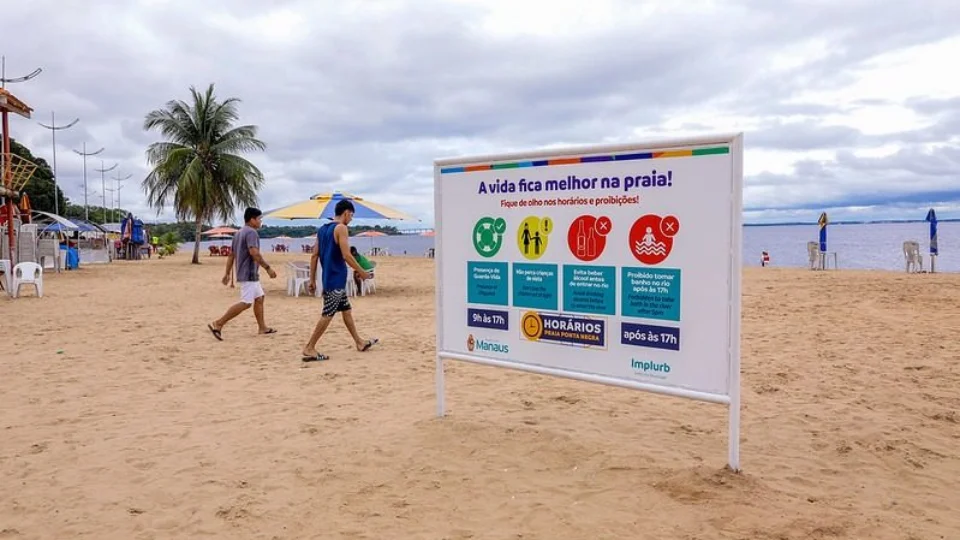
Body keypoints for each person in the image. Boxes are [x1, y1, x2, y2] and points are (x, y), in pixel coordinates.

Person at [301, 199, 379, 362]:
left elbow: (314, 255)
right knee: (328, 314)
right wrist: (362, 272)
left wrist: (312, 279)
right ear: (346, 213)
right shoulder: (341, 228)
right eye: (351, 216)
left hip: (328, 278)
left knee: (346, 310)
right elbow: (347, 255)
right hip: (335, 279)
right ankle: (309, 347)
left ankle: (359, 342)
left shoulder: (322, 230)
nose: (351, 219)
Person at [207, 207, 277, 340]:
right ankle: (218, 323)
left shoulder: (238, 233)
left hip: (246, 273)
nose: (260, 222)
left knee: (260, 298)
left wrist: (227, 273)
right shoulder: (251, 233)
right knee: (246, 303)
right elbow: (254, 253)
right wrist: (268, 268)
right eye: (259, 219)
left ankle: (262, 327)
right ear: (252, 219)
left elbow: (231, 255)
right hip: (249, 272)